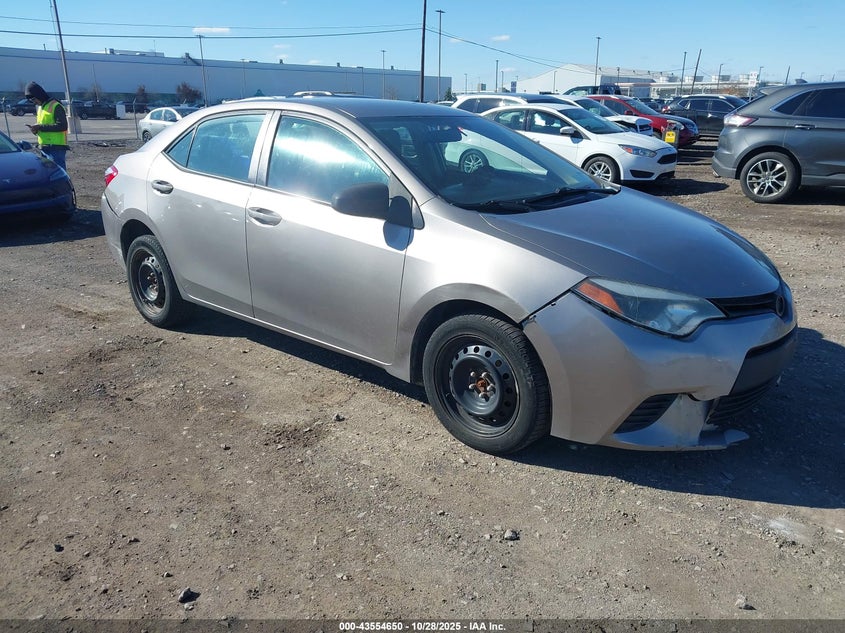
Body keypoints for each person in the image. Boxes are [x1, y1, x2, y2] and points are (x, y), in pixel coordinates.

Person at [24, 81, 69, 171]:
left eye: (33, 99)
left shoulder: (55, 106)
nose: (34, 102)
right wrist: (35, 131)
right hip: (44, 148)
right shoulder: (41, 108)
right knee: (48, 176)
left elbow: (62, 126)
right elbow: (43, 127)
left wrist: (40, 127)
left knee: (57, 175)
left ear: (39, 95)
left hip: (56, 148)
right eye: (31, 101)